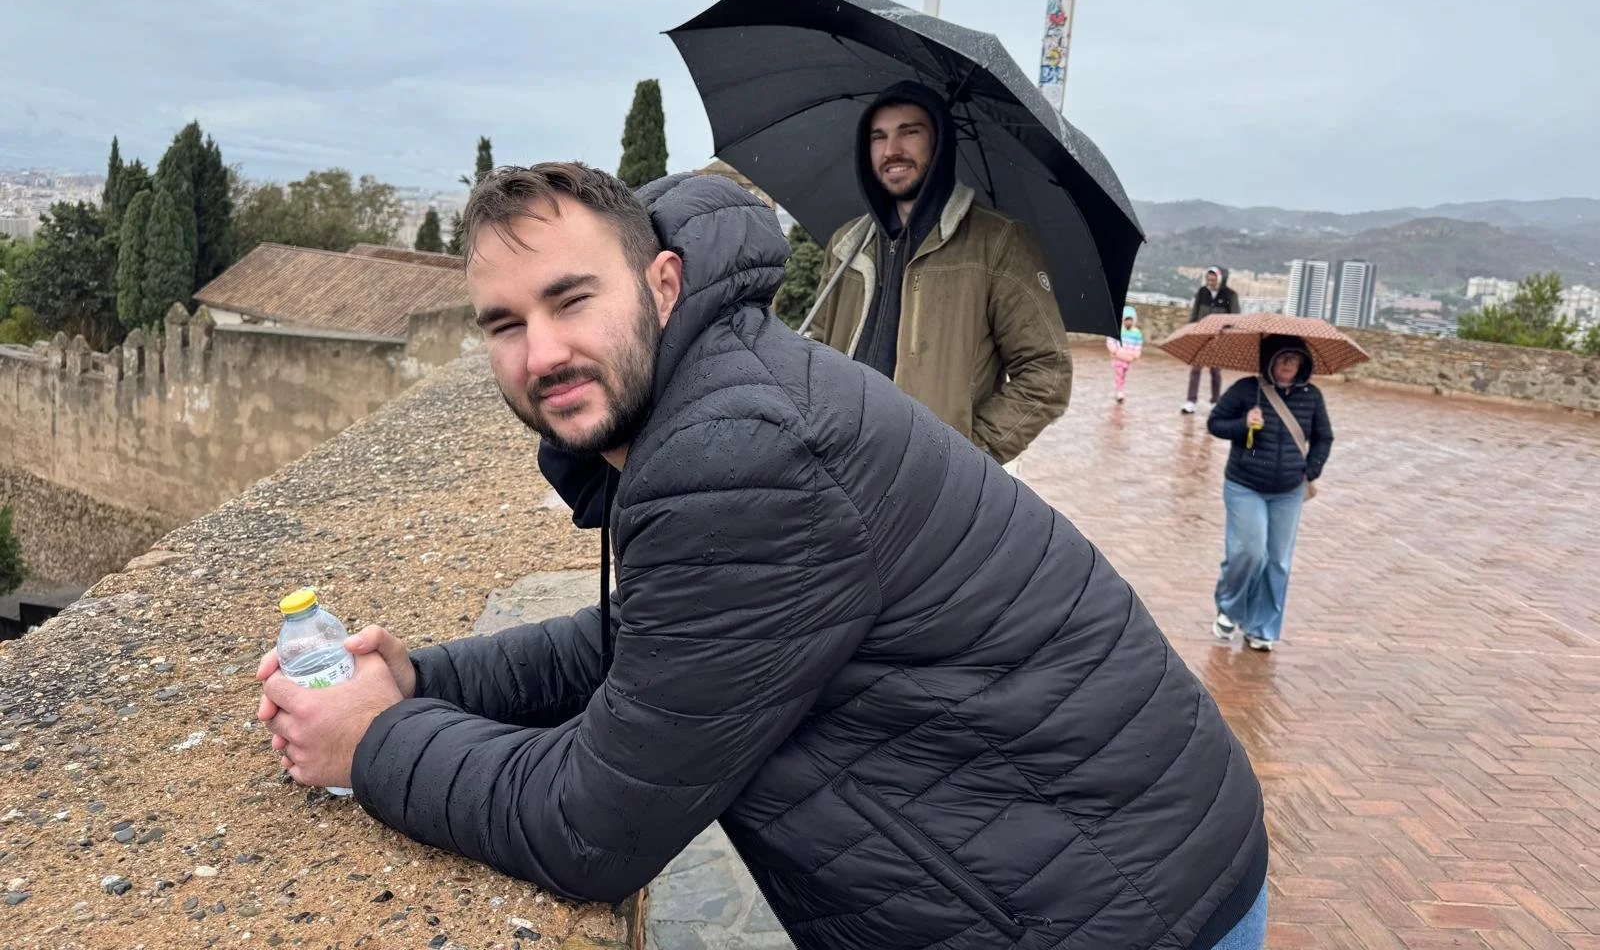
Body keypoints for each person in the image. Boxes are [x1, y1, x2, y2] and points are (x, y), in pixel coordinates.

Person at [257, 164, 1268, 949]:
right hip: (1081, 871)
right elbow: (653, 644)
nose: (540, 352)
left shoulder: (739, 449)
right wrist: (427, 676)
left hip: (1106, 907)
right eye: (504, 324)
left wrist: (372, 743)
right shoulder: (719, 393)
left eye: (572, 301)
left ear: (662, 282)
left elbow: (594, 826)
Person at [808, 81, 1071, 466]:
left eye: (910, 132)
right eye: (878, 137)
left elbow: (1047, 372)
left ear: (940, 143)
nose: (891, 150)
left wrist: (969, 454)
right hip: (839, 466)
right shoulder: (847, 244)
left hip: (929, 482)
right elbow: (817, 345)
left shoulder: (998, 242)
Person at [1207, 335, 1333, 652]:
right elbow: (1215, 423)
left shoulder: (1311, 396)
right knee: (1249, 552)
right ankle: (1229, 607)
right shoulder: (1247, 390)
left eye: (1293, 359)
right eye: (1281, 359)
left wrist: (1312, 468)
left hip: (1288, 491)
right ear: (1269, 360)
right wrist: (1243, 423)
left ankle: (1261, 625)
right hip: (1244, 485)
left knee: (1277, 561)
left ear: (1303, 363)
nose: (1287, 365)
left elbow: (1323, 437)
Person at [1183, 266, 1241, 414]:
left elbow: (1235, 316)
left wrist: (1228, 333)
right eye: (1208, 278)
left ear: (1220, 279)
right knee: (1196, 369)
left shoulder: (1230, 295)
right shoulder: (1202, 292)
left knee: (1215, 371)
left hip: (1219, 337)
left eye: (1213, 278)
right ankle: (1191, 400)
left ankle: (1215, 401)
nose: (1210, 281)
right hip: (1202, 335)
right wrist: (1190, 330)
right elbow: (1194, 313)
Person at [1106, 304, 1143, 403]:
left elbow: (1138, 344)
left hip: (1128, 358)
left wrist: (1136, 353)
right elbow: (1110, 339)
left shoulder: (1136, 333)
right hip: (1118, 356)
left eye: (1130, 320)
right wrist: (1114, 350)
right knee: (1119, 374)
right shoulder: (1118, 330)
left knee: (1123, 375)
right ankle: (1119, 391)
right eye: (1127, 319)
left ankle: (1119, 389)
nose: (1128, 322)